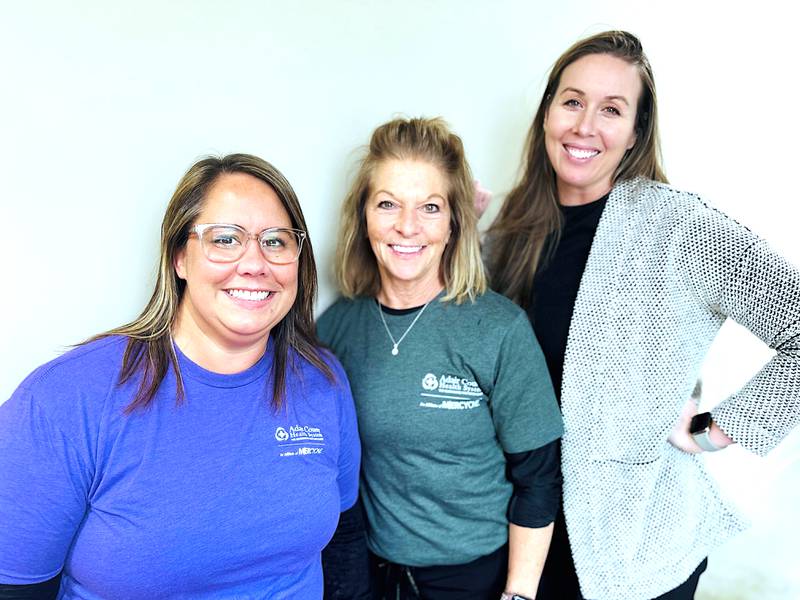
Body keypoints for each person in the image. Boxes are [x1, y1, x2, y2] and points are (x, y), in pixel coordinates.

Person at [484, 30, 800, 600]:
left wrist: (714, 430)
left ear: (634, 133)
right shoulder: (510, 229)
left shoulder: (677, 228)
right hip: (525, 541)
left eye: (612, 109)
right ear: (548, 112)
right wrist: (450, 220)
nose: (585, 126)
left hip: (634, 550)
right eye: (573, 101)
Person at [0, 154, 361, 599]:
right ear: (179, 258)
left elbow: (344, 540)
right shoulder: (63, 400)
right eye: (225, 239)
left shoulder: (323, 382)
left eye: (276, 241)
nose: (255, 262)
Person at [319, 117, 564, 600]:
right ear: (363, 215)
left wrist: (518, 595)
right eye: (387, 203)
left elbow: (538, 480)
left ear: (454, 222)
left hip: (476, 580)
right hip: (373, 576)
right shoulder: (336, 328)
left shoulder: (498, 328)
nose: (407, 226)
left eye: (430, 207)